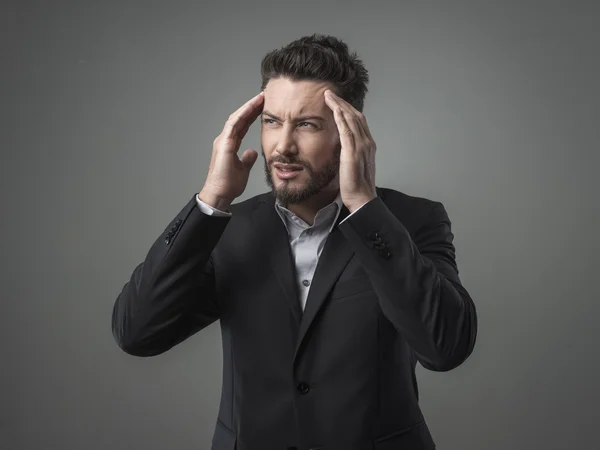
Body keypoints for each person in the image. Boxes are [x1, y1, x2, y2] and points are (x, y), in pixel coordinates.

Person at [112, 34, 477, 450]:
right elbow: (137, 332)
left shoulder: (411, 221)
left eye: (306, 124)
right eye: (271, 122)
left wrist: (364, 207)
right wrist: (211, 200)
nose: (282, 147)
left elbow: (446, 347)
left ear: (348, 131)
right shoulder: (226, 228)